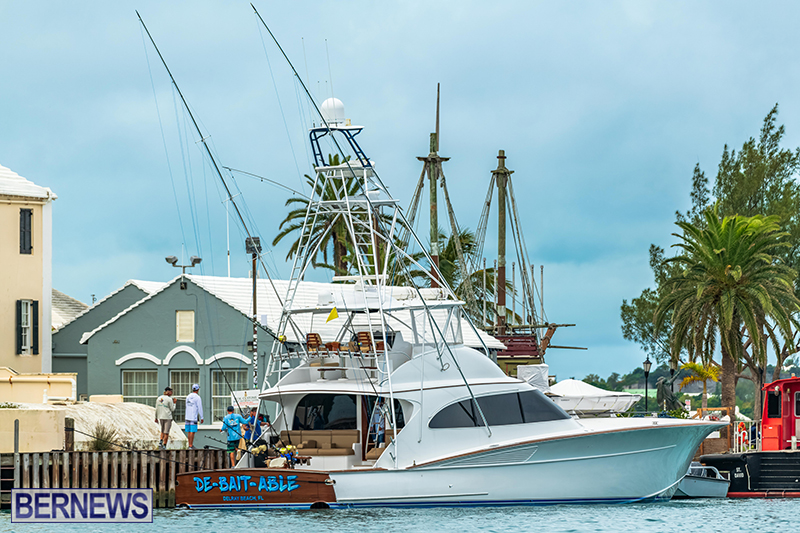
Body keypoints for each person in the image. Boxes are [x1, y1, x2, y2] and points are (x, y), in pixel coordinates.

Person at [185, 384, 204, 450]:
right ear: (198, 389)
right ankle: (190, 445)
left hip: (187, 416)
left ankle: (189, 444)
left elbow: (186, 405)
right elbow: (200, 407)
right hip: (193, 416)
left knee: (188, 431)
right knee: (192, 431)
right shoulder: (197, 397)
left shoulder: (188, 396)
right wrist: (202, 417)